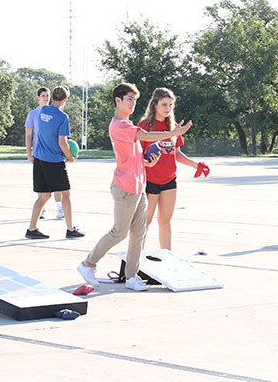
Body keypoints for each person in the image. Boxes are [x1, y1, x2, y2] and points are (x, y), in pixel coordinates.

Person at [77, 83, 192, 291]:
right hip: (125, 187)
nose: (133, 103)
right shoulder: (119, 126)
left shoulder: (127, 123)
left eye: (135, 100)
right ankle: (88, 264)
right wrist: (173, 133)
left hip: (139, 186)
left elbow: (137, 155)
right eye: (129, 99)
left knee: (138, 234)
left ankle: (131, 277)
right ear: (118, 100)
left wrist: (147, 162)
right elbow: (145, 136)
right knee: (119, 232)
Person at [138, 87, 208, 251]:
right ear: (155, 104)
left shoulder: (174, 127)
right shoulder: (145, 126)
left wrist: (196, 165)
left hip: (169, 180)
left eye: (170, 105)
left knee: (165, 222)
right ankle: (136, 262)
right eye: (164, 104)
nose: (168, 109)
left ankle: (167, 259)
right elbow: (137, 155)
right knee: (144, 224)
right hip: (150, 181)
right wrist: (146, 163)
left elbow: (176, 153)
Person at [25, 85, 84, 239]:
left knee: (43, 196)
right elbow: (62, 142)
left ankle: (31, 229)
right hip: (53, 160)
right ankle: (70, 229)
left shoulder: (43, 111)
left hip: (39, 159)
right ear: (65, 99)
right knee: (65, 194)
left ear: (52, 98)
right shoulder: (62, 117)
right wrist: (71, 158)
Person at [25, 87, 64, 219]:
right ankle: (42, 210)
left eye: (47, 95)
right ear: (38, 97)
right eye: (43, 95)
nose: (45, 98)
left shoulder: (56, 112)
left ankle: (60, 209)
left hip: (53, 154)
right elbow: (29, 135)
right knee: (41, 185)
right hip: (39, 153)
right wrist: (29, 153)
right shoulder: (33, 115)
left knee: (57, 184)